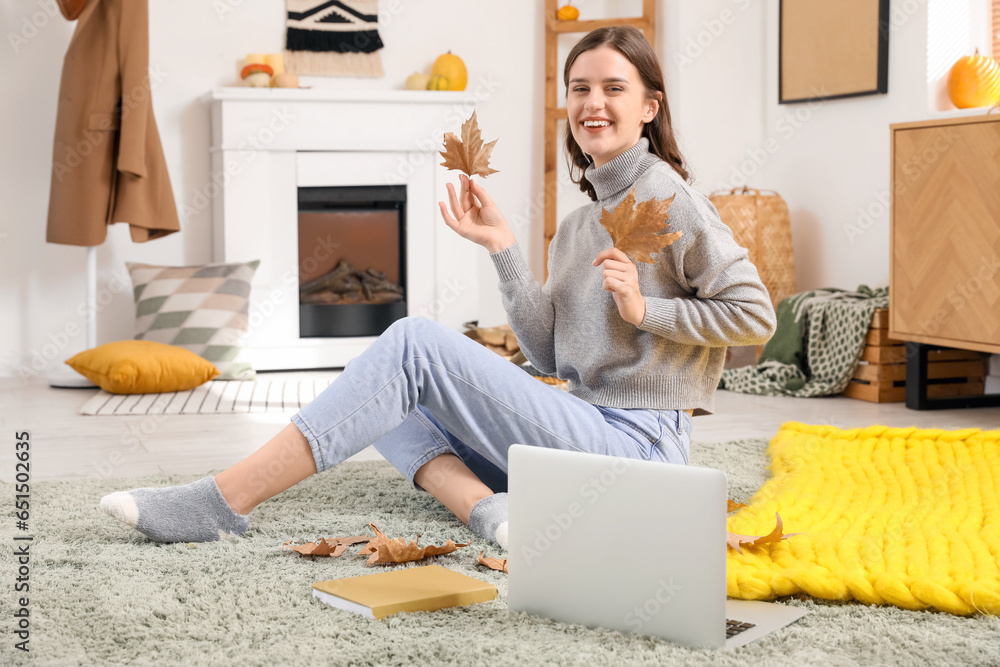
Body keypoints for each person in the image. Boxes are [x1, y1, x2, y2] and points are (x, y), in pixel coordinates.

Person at [99, 26, 776, 548]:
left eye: (613, 88)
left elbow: (754, 315)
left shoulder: (670, 197)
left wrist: (643, 307)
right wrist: (504, 249)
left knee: (414, 344)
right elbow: (546, 355)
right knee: (389, 396)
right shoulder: (578, 224)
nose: (592, 103)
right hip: (585, 433)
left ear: (650, 105)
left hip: (644, 449)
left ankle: (222, 501)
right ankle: (489, 510)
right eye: (579, 88)